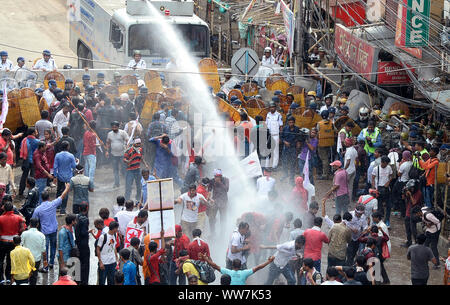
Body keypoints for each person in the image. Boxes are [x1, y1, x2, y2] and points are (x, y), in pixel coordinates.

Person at [31, 183, 70, 271]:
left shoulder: (38, 209)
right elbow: (62, 196)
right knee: (53, 247)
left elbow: (33, 220)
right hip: (54, 229)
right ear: (49, 197)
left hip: (44, 232)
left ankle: (46, 265)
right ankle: (51, 263)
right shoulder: (53, 204)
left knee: (45, 249)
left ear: (42, 198)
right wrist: (67, 187)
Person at [200, 252, 274, 285]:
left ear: (232, 265)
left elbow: (215, 266)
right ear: (241, 266)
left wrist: (205, 259)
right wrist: (269, 261)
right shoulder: (244, 273)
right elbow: (258, 267)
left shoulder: (228, 272)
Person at [0, 202, 27, 284]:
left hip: (2, 242)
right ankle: (8, 278)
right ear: (12, 209)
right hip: (13, 242)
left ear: (4, 209)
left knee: (1, 260)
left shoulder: (0, 218)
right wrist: (18, 234)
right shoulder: (18, 218)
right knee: (10, 260)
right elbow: (23, 228)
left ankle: (1, 278)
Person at [53, 141, 77, 215]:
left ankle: (57, 207)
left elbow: (55, 167)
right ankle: (63, 210)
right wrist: (77, 161)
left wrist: (55, 176)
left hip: (60, 176)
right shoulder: (71, 156)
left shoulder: (57, 155)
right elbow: (74, 166)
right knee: (65, 192)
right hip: (68, 177)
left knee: (59, 190)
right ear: (68, 147)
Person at [20, 218, 46, 285]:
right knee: (34, 276)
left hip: (25, 258)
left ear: (30, 224)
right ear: (37, 225)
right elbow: (43, 250)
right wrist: (45, 261)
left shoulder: (24, 234)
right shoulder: (42, 235)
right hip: (36, 259)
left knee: (24, 275)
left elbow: (20, 245)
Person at [18, 127, 40, 198]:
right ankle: (30, 193)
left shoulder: (24, 140)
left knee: (24, 176)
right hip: (33, 161)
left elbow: (21, 149)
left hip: (26, 160)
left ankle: (21, 192)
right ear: (33, 133)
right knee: (32, 177)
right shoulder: (36, 141)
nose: (37, 133)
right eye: (36, 132)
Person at [106, 121, 129, 188]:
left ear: (118, 127)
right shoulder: (109, 134)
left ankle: (127, 183)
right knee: (115, 169)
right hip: (114, 155)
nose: (114, 128)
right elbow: (108, 142)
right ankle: (116, 183)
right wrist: (107, 151)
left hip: (122, 154)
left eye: (115, 127)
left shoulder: (123, 133)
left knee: (124, 169)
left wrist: (127, 148)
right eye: (113, 127)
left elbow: (127, 140)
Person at [371, 155, 393, 227]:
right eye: (385, 163)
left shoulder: (389, 168)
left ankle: (387, 220)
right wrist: (374, 188)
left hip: (387, 189)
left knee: (388, 206)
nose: (386, 165)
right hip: (379, 189)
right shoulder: (375, 169)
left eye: (387, 163)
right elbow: (373, 179)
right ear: (382, 162)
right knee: (379, 206)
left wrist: (388, 182)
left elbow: (391, 176)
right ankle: (378, 220)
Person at [96, 221, 119, 285]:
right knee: (102, 281)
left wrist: (116, 258)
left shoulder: (115, 235)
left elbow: (114, 247)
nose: (117, 230)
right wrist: (100, 262)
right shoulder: (103, 237)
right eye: (117, 228)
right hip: (104, 263)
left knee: (112, 281)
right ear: (114, 228)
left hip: (112, 262)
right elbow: (98, 249)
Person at [207, 169, 229, 236]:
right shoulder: (212, 181)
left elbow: (226, 189)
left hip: (223, 202)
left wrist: (219, 182)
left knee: (223, 219)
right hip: (215, 201)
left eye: (219, 176)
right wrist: (209, 198)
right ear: (214, 176)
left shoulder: (226, 180)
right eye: (216, 176)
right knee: (211, 218)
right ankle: (212, 233)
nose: (217, 178)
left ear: (221, 176)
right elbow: (209, 191)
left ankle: (222, 234)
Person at [401, 180, 422, 248]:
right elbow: (403, 198)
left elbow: (414, 202)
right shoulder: (410, 191)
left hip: (415, 213)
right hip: (408, 212)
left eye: (412, 188)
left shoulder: (418, 193)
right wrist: (404, 193)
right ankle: (409, 242)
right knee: (407, 229)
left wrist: (410, 195)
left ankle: (417, 243)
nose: (411, 189)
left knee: (413, 230)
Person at [74, 202, 90, 285]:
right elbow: (83, 232)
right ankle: (84, 281)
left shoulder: (76, 217)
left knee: (77, 262)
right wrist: (87, 232)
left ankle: (77, 280)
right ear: (86, 209)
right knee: (85, 264)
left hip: (77, 243)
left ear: (79, 209)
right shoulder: (85, 219)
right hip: (84, 245)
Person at [317, 110, 335, 180]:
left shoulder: (319, 123)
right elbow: (335, 130)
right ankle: (327, 172)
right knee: (327, 158)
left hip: (321, 143)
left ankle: (325, 174)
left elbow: (317, 131)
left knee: (324, 159)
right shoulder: (331, 123)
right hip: (330, 143)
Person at [281, 116, 299, 182]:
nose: (291, 123)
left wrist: (297, 143)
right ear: (288, 122)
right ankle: (285, 174)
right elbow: (281, 137)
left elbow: (298, 138)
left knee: (292, 163)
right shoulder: (285, 128)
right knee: (284, 162)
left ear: (294, 123)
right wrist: (284, 142)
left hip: (293, 148)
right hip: (285, 148)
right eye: (290, 122)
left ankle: (291, 178)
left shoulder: (297, 129)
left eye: (292, 122)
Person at [266, 101, 283, 169]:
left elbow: (281, 126)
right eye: (270, 107)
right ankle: (267, 165)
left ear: (275, 107)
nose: (272, 108)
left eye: (273, 107)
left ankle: (274, 166)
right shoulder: (268, 114)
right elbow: (266, 124)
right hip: (269, 135)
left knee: (275, 151)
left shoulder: (278, 115)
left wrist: (280, 137)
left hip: (276, 135)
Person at [82, 121, 99, 187]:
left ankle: (86, 183)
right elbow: (92, 145)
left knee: (87, 168)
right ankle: (91, 184)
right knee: (92, 169)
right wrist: (99, 144)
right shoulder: (93, 134)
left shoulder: (86, 133)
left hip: (85, 152)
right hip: (91, 153)